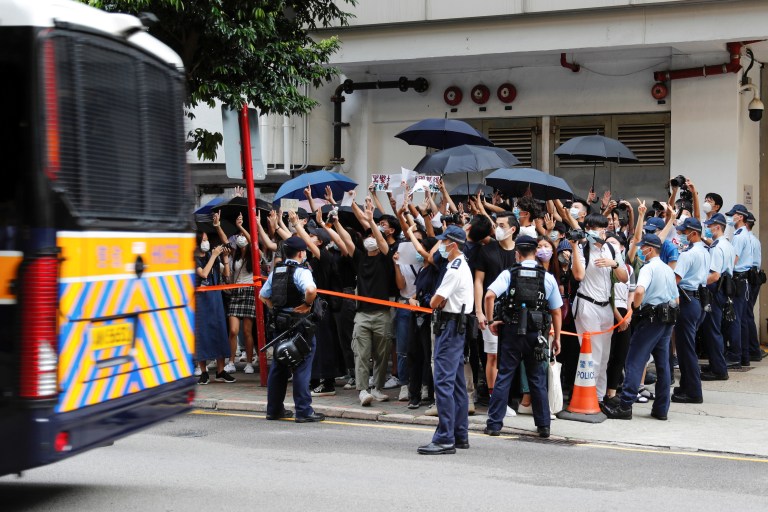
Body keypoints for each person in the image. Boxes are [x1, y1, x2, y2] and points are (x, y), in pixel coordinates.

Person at [482, 235, 562, 438]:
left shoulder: (509, 274)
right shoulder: (547, 277)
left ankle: (493, 425)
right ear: (535, 253)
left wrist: (491, 322)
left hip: (511, 332)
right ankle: (544, 426)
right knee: (537, 378)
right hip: (537, 334)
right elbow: (556, 311)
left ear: (517, 253)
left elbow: (489, 295)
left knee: (504, 376)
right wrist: (558, 337)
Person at [602, 234, 678, 421]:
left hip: (651, 318)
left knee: (634, 360)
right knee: (663, 364)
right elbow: (677, 299)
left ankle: (625, 405)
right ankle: (661, 408)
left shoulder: (648, 268)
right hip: (668, 318)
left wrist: (635, 307)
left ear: (650, 249)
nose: (641, 251)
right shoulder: (668, 270)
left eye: (643, 248)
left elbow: (640, 290)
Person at [417, 225, 474, 455]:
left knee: (443, 382)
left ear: (454, 245)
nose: (440, 245)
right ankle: (459, 433)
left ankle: (445, 437)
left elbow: (435, 301)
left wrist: (434, 301)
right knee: (458, 384)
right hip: (456, 325)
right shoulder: (460, 265)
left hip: (450, 326)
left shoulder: (455, 268)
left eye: (444, 242)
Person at [259, 236, 325, 423]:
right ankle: (303, 411)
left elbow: (263, 296)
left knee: (279, 365)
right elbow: (311, 291)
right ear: (301, 253)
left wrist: (275, 309)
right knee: (302, 367)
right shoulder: (302, 272)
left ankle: (274, 410)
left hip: (279, 324)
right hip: (299, 325)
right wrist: (306, 304)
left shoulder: (276, 271)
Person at [569, 213, 628, 402]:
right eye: (593, 228)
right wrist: (575, 247)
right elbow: (578, 276)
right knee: (592, 356)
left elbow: (624, 277)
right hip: (587, 304)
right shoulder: (582, 247)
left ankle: (600, 398)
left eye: (601, 228)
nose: (598, 232)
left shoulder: (611, 248)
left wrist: (614, 263)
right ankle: (588, 399)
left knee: (604, 356)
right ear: (586, 229)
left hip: (606, 307)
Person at [474, 212, 518, 404]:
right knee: (492, 355)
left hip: (516, 312)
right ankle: (495, 399)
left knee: (511, 357)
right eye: (496, 225)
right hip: (491, 311)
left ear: (512, 229)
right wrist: (479, 311)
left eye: (501, 225)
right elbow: (478, 281)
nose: (497, 229)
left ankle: (509, 397)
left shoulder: (521, 252)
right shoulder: (487, 250)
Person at [353, 203, 394, 406]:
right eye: (368, 236)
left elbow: (381, 241)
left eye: (374, 236)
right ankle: (363, 390)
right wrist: (349, 203)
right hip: (362, 314)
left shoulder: (385, 258)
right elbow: (343, 238)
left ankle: (377, 387)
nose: (371, 239)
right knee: (361, 353)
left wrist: (370, 220)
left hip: (382, 313)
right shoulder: (359, 258)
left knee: (382, 354)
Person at [671, 217, 710, 403]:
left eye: (684, 232)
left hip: (687, 301)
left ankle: (693, 392)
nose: (681, 235)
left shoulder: (688, 254)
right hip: (698, 300)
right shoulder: (704, 251)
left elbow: (675, 280)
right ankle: (686, 386)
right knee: (688, 347)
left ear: (693, 233)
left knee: (686, 350)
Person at [194, 233, 236, 384]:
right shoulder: (194, 259)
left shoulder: (214, 257)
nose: (206, 242)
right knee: (203, 334)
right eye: (204, 240)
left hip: (216, 299)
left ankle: (220, 370)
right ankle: (204, 372)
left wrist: (224, 259)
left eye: (207, 239)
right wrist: (214, 256)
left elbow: (227, 276)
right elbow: (204, 274)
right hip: (201, 301)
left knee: (219, 332)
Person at [700, 213, 736, 380]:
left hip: (716, 289)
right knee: (716, 329)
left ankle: (719, 370)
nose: (708, 228)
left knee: (713, 330)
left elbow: (714, 275)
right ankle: (716, 364)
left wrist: (698, 283)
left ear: (718, 227)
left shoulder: (717, 247)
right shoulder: (725, 244)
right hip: (725, 288)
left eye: (710, 226)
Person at [725, 204, 753, 367]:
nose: (731, 218)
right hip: (744, 280)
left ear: (740, 216)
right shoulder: (745, 234)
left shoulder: (739, 236)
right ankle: (744, 355)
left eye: (733, 215)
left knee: (734, 318)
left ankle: (735, 355)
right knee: (741, 319)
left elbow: (733, 260)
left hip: (738, 279)